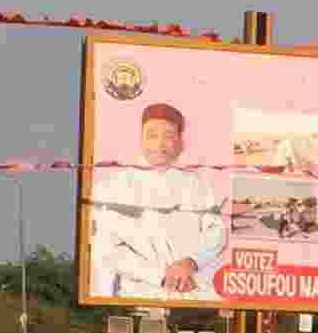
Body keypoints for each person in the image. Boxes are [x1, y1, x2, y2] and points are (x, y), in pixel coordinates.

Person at [89, 102, 225, 302]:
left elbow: (216, 232)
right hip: (138, 293)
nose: (159, 144)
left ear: (180, 142)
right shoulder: (113, 186)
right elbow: (108, 250)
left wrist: (191, 262)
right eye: (152, 135)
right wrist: (161, 275)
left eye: (168, 136)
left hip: (193, 292)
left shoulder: (198, 185)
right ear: (141, 139)